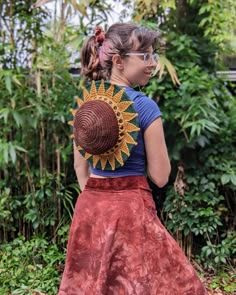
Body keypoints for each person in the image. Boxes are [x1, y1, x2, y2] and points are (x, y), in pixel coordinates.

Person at [58, 23, 207, 295]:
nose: (152, 64)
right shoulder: (145, 106)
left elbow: (80, 167)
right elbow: (160, 177)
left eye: (153, 56)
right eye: (145, 56)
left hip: (89, 211)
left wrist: (97, 198)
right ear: (118, 61)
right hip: (131, 213)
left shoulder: (86, 104)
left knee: (92, 286)